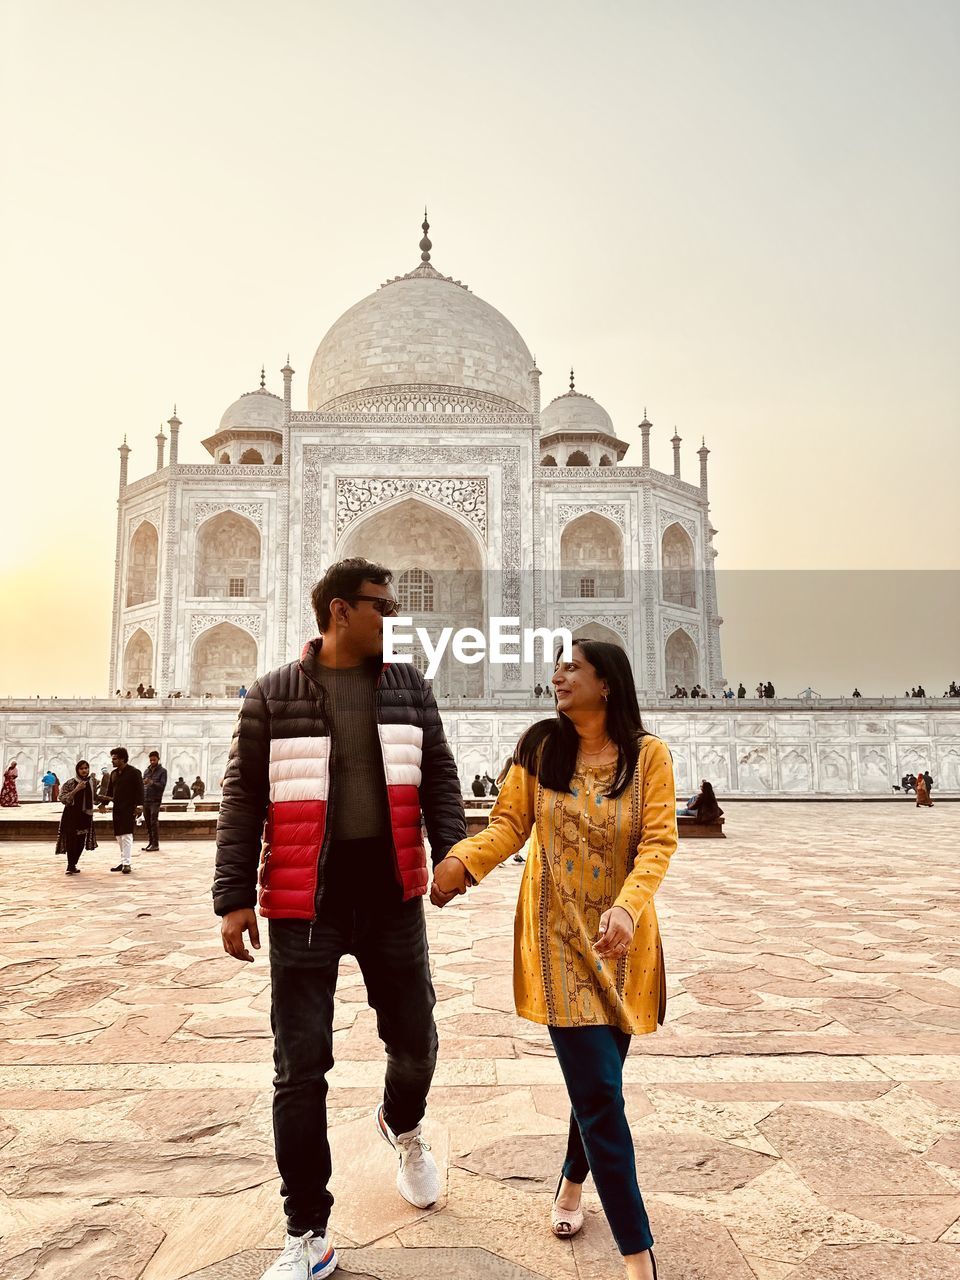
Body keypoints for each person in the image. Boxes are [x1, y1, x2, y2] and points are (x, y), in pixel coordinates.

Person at [213, 557, 465, 1280]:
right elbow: (242, 800)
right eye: (381, 605)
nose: (394, 616)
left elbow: (439, 772)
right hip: (304, 906)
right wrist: (232, 896)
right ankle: (307, 1231)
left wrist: (453, 851)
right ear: (339, 612)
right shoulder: (272, 694)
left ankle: (403, 1125)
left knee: (415, 1041)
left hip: (391, 896)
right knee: (300, 1072)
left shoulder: (409, 687)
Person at [432, 639, 676, 1280]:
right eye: (557, 666)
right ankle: (638, 1258)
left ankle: (571, 1182)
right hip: (559, 939)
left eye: (573, 667)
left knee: (601, 1089)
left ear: (608, 684)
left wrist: (626, 907)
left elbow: (657, 841)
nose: (558, 675)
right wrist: (465, 862)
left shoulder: (648, 757)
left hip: (624, 945)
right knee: (599, 1095)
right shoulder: (542, 748)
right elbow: (509, 824)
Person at [97, 747, 144, 874]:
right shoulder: (113, 774)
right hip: (117, 808)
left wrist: (140, 806)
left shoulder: (134, 772)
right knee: (118, 835)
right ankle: (124, 861)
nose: (113, 761)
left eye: (115, 759)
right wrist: (103, 803)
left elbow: (140, 790)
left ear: (123, 759)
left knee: (127, 835)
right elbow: (110, 792)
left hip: (129, 808)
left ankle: (127, 863)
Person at [55, 761, 98, 873]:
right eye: (81, 768)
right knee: (71, 841)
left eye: (86, 768)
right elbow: (62, 798)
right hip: (71, 816)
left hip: (85, 816)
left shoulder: (91, 782)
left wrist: (108, 800)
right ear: (77, 770)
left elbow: (95, 797)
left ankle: (73, 864)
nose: (84, 770)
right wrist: (76, 789)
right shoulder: (70, 783)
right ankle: (70, 865)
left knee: (80, 842)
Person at [141, 751, 167, 852]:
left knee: (153, 821)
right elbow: (143, 784)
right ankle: (150, 842)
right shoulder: (146, 771)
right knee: (147, 822)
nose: (152, 762)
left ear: (158, 759)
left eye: (154, 760)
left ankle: (155, 844)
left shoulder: (162, 771)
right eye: (151, 760)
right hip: (146, 799)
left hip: (155, 800)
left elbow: (162, 786)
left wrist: (152, 783)